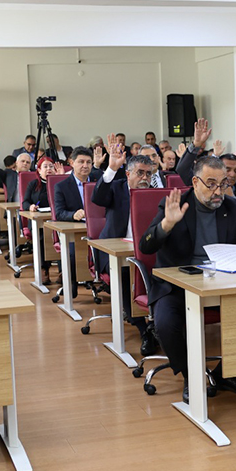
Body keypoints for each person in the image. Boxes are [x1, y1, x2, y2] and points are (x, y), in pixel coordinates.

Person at [139, 155, 236, 402]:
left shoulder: (234, 208)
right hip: (177, 285)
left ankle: (225, 374)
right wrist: (166, 224)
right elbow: (146, 246)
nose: (218, 191)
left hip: (223, 283)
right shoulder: (175, 204)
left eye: (223, 183)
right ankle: (192, 376)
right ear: (195, 182)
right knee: (166, 323)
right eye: (211, 184)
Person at [92, 145, 159, 355]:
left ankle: (157, 323)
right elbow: (98, 198)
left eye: (148, 174)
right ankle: (143, 330)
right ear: (128, 174)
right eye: (140, 173)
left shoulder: (155, 194)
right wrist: (112, 168)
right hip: (114, 252)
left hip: (145, 250)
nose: (145, 178)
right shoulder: (116, 188)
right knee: (125, 279)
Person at [53, 147, 104, 296]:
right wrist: (73, 215)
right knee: (72, 252)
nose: (85, 166)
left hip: (98, 228)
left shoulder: (99, 181)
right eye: (81, 162)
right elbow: (59, 213)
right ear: (71, 163)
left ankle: (106, 282)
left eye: (88, 162)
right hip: (76, 231)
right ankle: (72, 284)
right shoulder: (61, 186)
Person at [25, 158, 61, 284]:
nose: (49, 169)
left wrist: (60, 177)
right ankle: (44, 269)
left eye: (51, 166)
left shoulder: (59, 183)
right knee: (41, 238)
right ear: (39, 170)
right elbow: (25, 202)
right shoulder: (33, 184)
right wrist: (30, 206)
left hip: (56, 219)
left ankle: (63, 270)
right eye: (45, 167)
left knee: (62, 238)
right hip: (39, 221)